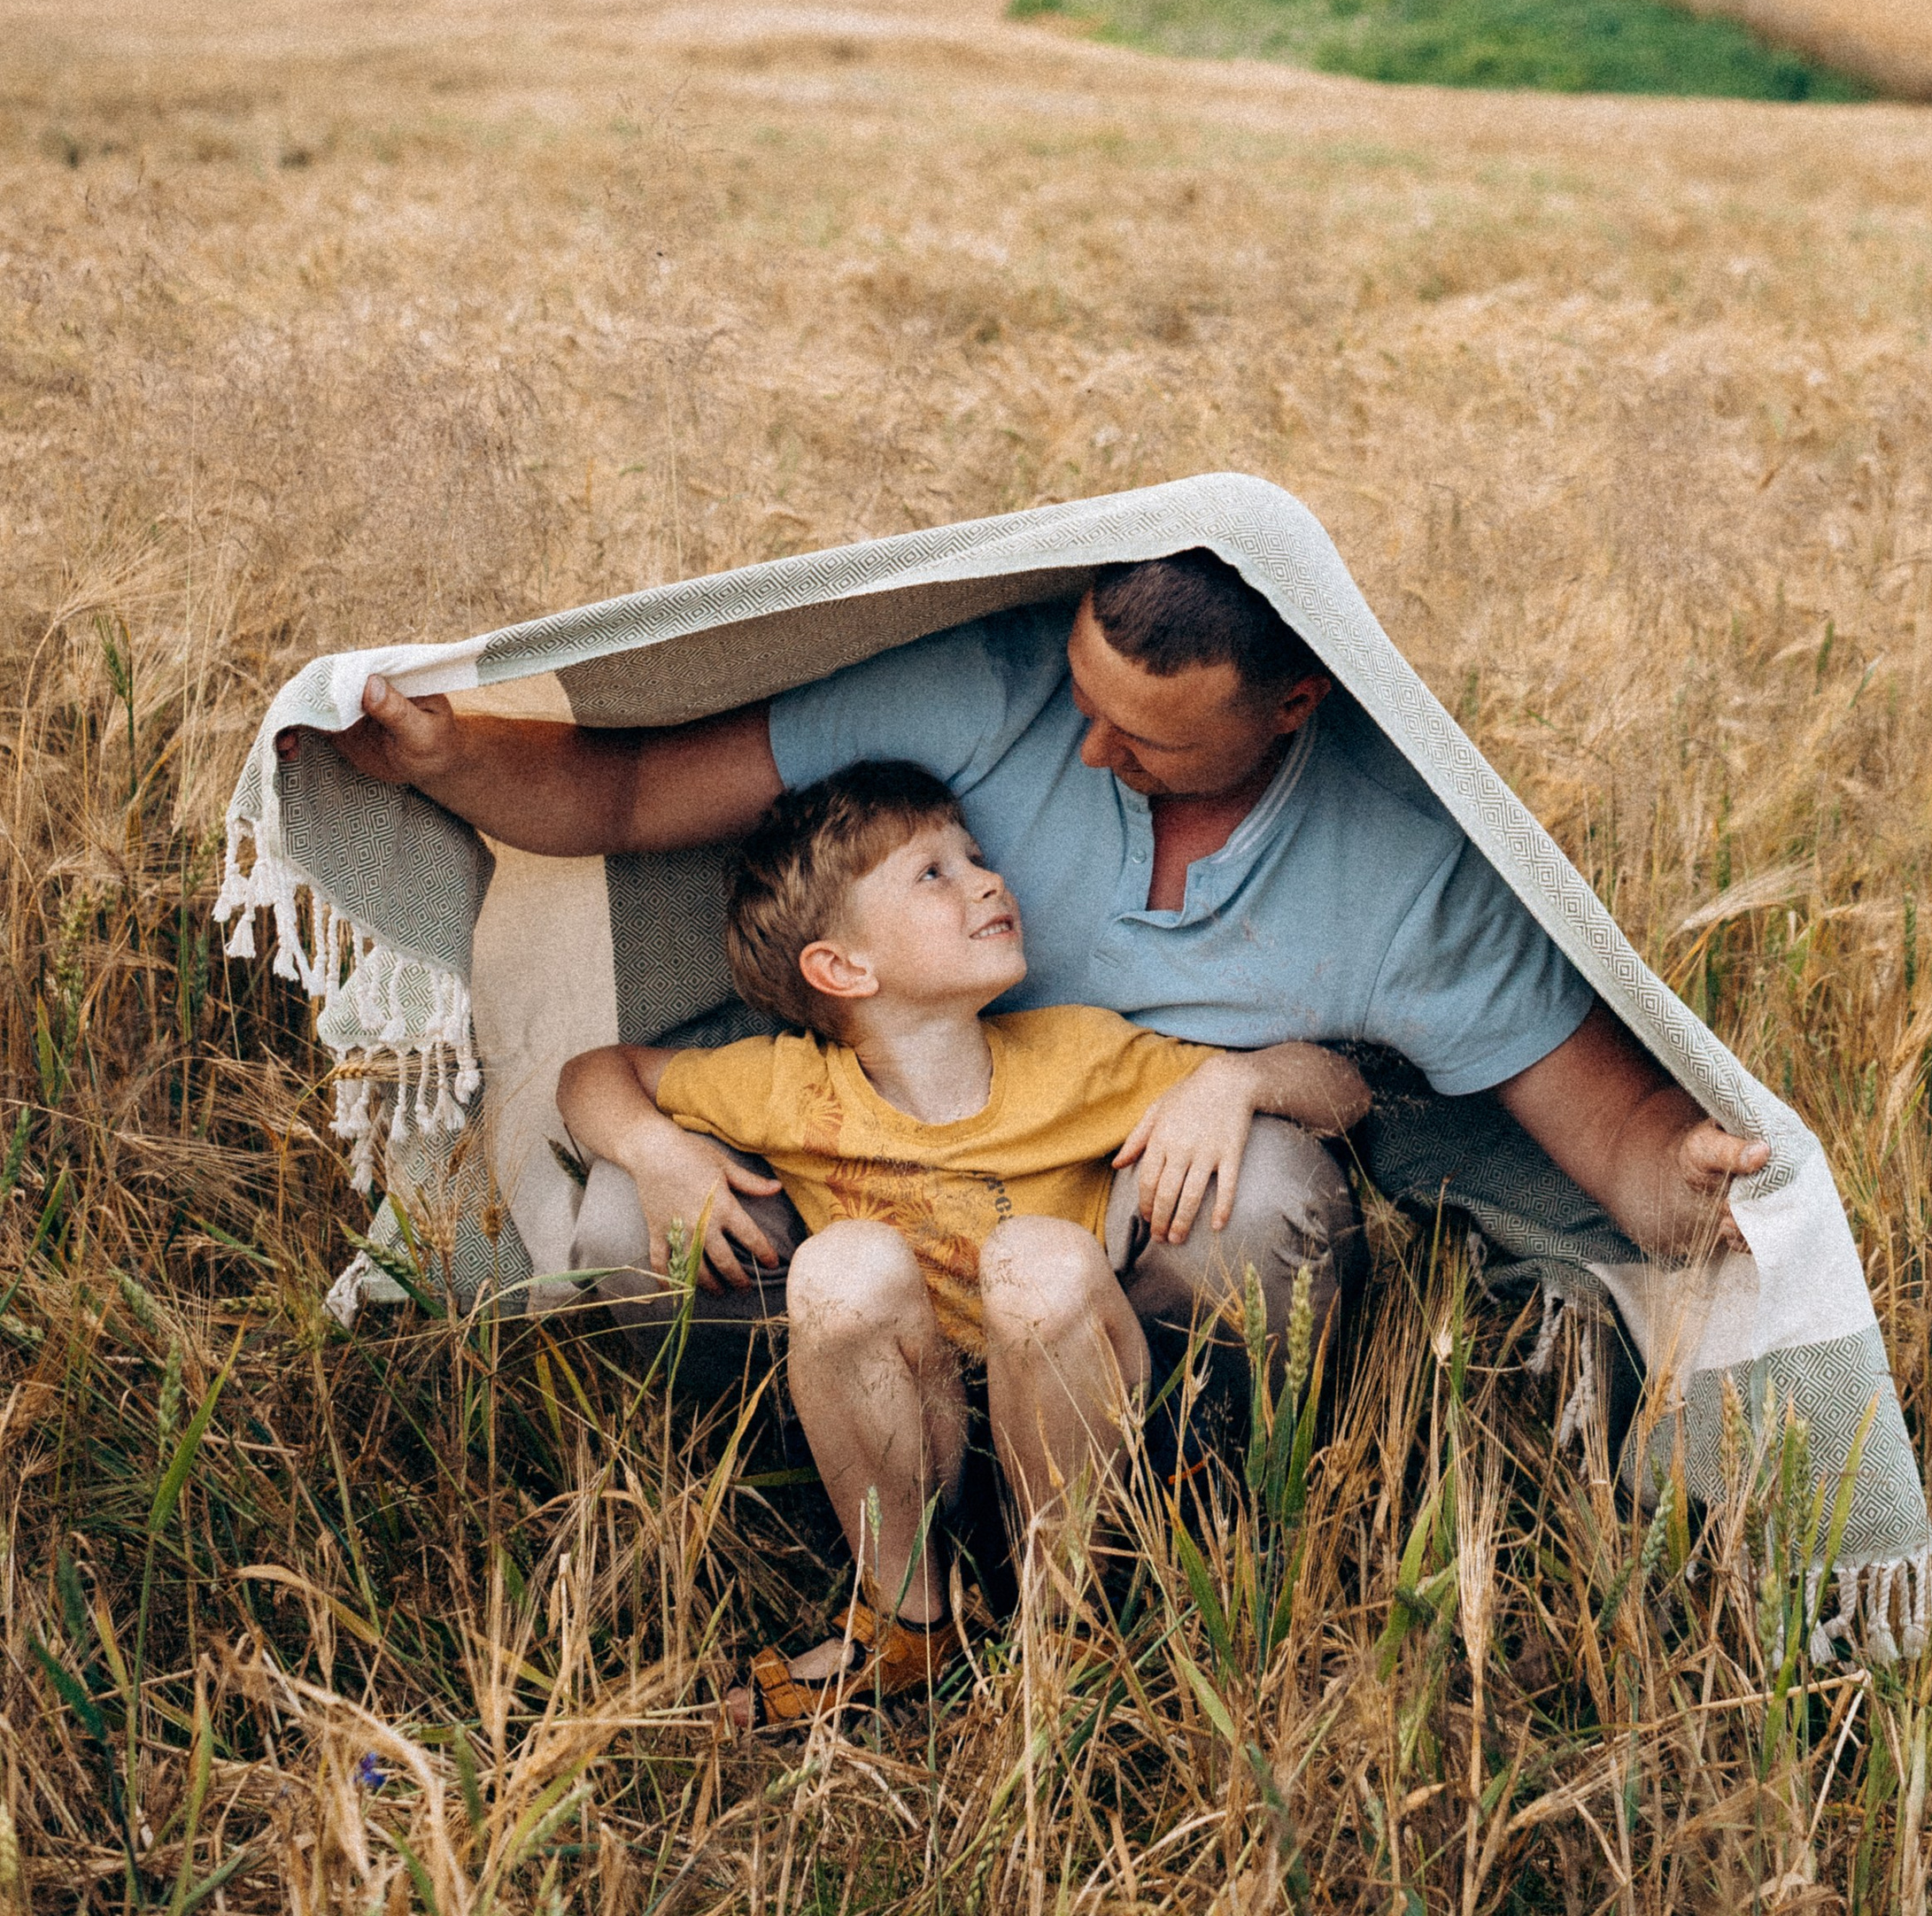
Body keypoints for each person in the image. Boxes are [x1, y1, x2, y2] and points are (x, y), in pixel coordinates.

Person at [293, 548, 1767, 1361]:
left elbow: (1621, 1142)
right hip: (877, 1215)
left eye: (1147, 737)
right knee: (627, 1215)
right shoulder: (980, 690)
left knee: (1266, 1197)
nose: (1082, 746)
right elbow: (622, 797)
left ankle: (1145, 1516)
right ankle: (848, 1504)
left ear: (1298, 701)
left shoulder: (1405, 872)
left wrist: (1699, 1179)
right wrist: (443, 747)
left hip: (1121, 1253)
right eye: (1080, 687)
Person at [556, 757, 1368, 1719]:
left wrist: (1235, 1082)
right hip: (904, 1448)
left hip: (1075, 1439)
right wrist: (654, 1151)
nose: (987, 879)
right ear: (841, 968)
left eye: (975, 857)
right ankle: (910, 1623)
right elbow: (593, 1074)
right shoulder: (786, 1084)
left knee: (1039, 1260)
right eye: (933, 873)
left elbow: (1340, 1092)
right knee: (840, 1267)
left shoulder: (1077, 1054)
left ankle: (1064, 1629)